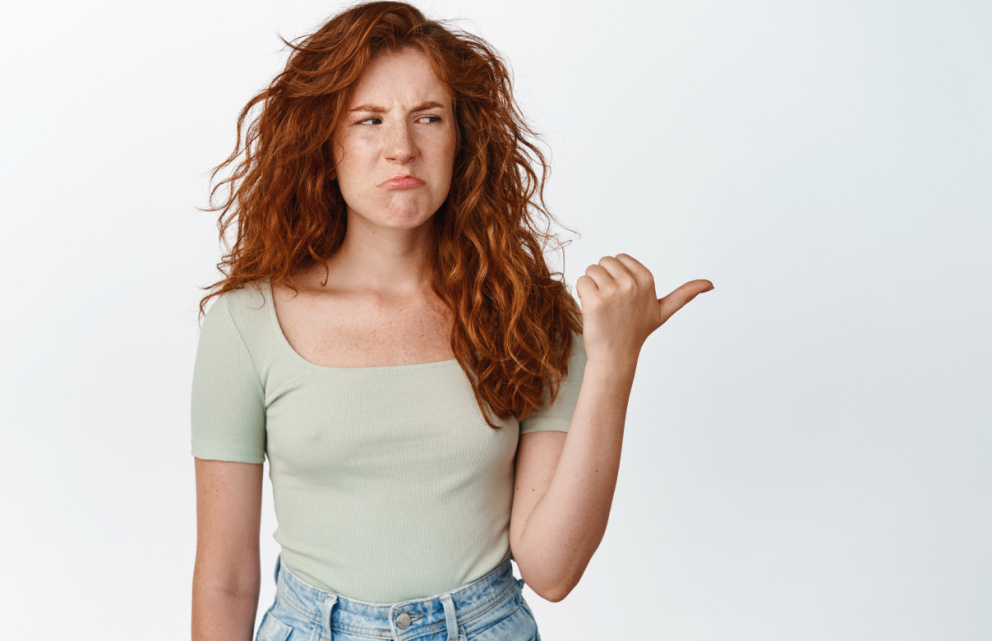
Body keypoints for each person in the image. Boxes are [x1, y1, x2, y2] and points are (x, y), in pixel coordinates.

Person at [189, 2, 714, 640]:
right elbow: (225, 579)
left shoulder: (532, 314)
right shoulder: (247, 323)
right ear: (325, 144)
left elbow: (552, 569)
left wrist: (614, 364)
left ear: (462, 138)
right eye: (369, 120)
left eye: (428, 118)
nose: (401, 148)